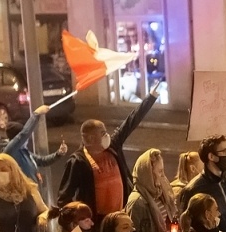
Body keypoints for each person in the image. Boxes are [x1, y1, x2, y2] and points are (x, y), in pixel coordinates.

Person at [56, 87, 161, 219]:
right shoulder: (78, 162)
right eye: (102, 133)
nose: (107, 135)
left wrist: (150, 97)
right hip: (97, 222)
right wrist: (78, 222)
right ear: (90, 138)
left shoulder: (113, 146)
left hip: (122, 217)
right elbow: (64, 198)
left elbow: (130, 122)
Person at [0, 104, 67, 187]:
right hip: (21, 196)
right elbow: (24, 134)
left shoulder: (23, 151)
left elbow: (41, 161)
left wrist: (58, 154)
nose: (27, 139)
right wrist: (36, 114)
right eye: (26, 138)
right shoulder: (11, 151)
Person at [126, 148, 179, 232]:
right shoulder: (137, 202)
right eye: (159, 171)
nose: (162, 175)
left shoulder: (159, 194)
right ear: (148, 175)